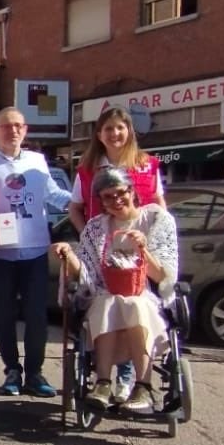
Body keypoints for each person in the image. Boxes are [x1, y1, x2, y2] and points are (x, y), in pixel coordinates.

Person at [52, 166, 180, 413]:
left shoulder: (155, 219)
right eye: (108, 197)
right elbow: (86, 272)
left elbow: (164, 276)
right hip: (106, 291)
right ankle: (103, 383)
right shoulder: (96, 228)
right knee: (108, 302)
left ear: (131, 191)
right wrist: (68, 255)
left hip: (146, 293)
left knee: (135, 303)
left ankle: (143, 386)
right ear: (100, 201)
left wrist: (142, 250)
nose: (116, 200)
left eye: (120, 193)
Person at [68, 105, 167, 405]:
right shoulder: (87, 169)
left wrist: (151, 239)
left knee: (133, 303)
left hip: (140, 247)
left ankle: (130, 379)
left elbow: (160, 205)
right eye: (108, 128)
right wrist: (91, 234)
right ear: (99, 134)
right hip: (103, 246)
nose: (114, 133)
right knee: (107, 301)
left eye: (120, 128)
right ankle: (106, 379)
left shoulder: (146, 165)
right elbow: (75, 207)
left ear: (129, 131)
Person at [0, 106, 72, 398]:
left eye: (18, 125)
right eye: (6, 126)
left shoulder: (38, 162)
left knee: (36, 316)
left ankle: (35, 373)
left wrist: (82, 202)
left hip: (35, 252)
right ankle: (12, 372)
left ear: (25, 130)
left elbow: (54, 195)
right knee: (4, 316)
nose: (12, 131)